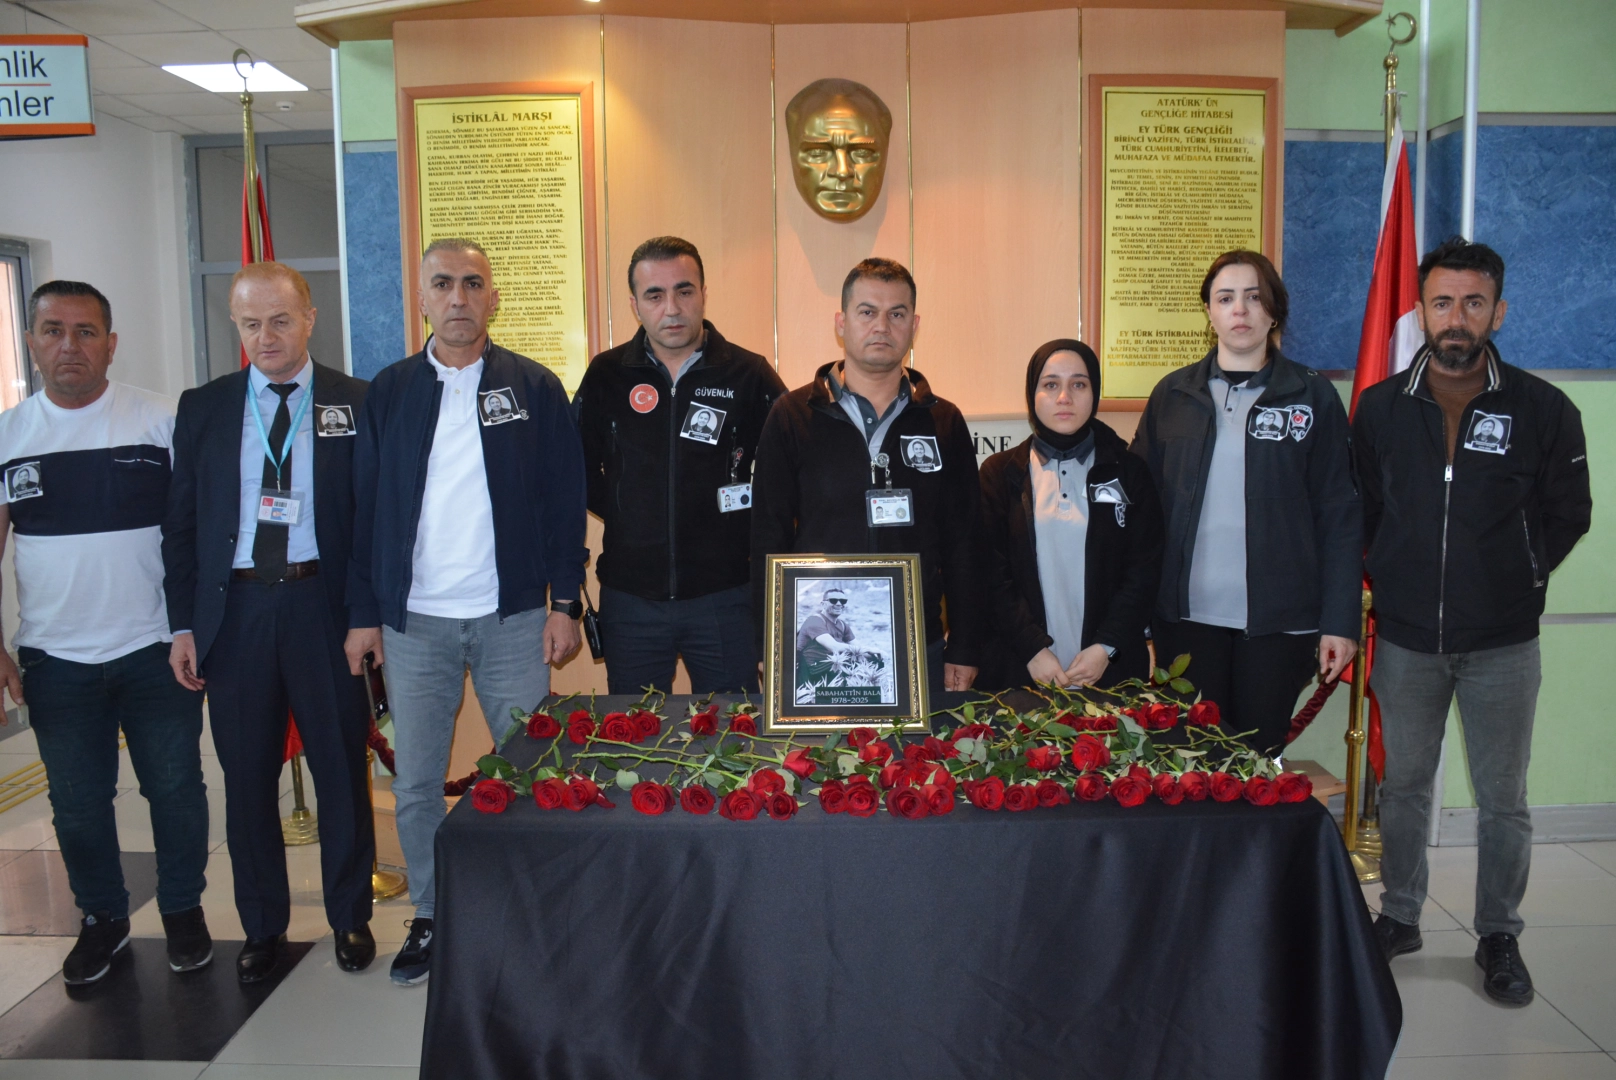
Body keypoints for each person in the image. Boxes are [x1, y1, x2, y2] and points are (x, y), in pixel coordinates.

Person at [1354, 238, 1591, 1005]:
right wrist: (1394, 573)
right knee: (1404, 787)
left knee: (1502, 799)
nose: (1457, 317)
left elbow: (1569, 513)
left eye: (1474, 302)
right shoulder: (1381, 408)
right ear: (1422, 311)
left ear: (1499, 311)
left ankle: (1499, 935)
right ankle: (1400, 915)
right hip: (1408, 639)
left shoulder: (1544, 409)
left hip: (1503, 645)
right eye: (1443, 302)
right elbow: (1362, 510)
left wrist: (1516, 577)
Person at [346, 238, 587, 986]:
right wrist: (363, 614)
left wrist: (565, 603)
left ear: (493, 298)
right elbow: (364, 511)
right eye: (443, 283)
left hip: (512, 618)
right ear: (421, 298)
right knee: (417, 782)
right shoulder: (389, 391)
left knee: (527, 772)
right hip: (413, 624)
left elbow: (564, 503)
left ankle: (528, 910)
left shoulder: (535, 386)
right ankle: (431, 913)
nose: (458, 297)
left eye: (473, 283)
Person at [162, 262, 376, 983]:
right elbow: (181, 526)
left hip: (324, 610)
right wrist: (184, 625)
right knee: (247, 777)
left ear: (310, 317)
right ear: (236, 325)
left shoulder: (355, 401)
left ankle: (350, 916)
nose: (266, 337)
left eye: (280, 320)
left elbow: (372, 522)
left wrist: (365, 616)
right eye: (250, 323)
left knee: (340, 770)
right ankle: (262, 927)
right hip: (238, 612)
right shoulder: (205, 407)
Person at [0, 281, 210, 985]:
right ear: (31, 342)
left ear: (111, 344)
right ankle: (102, 918)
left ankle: (182, 910)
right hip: (55, 659)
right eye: (53, 330)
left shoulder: (160, 420)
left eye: (86, 332)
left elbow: (197, 533)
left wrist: (196, 628)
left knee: (175, 790)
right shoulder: (8, 436)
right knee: (77, 804)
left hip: (158, 649)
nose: (70, 345)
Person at [1130, 250, 1360, 754]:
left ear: (1273, 312)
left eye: (1254, 297)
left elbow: (1340, 516)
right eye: (1226, 298)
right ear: (1209, 312)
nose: (1240, 310)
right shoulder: (1172, 395)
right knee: (1191, 762)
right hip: (1186, 622)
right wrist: (1135, 614)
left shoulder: (1313, 396)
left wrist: (1340, 622)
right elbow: (1140, 515)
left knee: (1258, 763)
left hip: (1281, 624)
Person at [751, 258, 983, 694]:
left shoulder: (943, 421)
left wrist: (966, 645)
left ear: (914, 326)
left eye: (896, 314)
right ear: (841, 323)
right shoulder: (791, 416)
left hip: (920, 644)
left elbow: (965, 543)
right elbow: (768, 536)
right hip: (819, 649)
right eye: (867, 312)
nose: (882, 326)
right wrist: (770, 642)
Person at [574, 236, 786, 694]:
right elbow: (576, 470)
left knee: (734, 727)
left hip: (725, 597)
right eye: (655, 295)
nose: (671, 308)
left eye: (684, 291)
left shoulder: (748, 374)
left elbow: (788, 471)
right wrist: (629, 512)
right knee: (634, 729)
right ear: (635, 305)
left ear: (703, 294)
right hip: (631, 601)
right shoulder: (607, 375)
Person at [979, 339, 1164, 691]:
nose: (1064, 397)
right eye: (1051, 385)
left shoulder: (1130, 472)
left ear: (1094, 393)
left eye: (1078, 384)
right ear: (1032, 395)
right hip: (1020, 669)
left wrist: (1106, 647)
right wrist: (1032, 648)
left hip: (1109, 672)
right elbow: (991, 574)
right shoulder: (999, 474)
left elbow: (1144, 570)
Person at [795, 586, 856, 687]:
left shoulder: (842, 625)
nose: (839, 604)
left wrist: (875, 653)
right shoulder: (814, 621)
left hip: (831, 668)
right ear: (823, 604)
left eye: (843, 601)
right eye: (833, 600)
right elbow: (834, 647)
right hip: (812, 671)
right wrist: (868, 649)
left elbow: (856, 647)